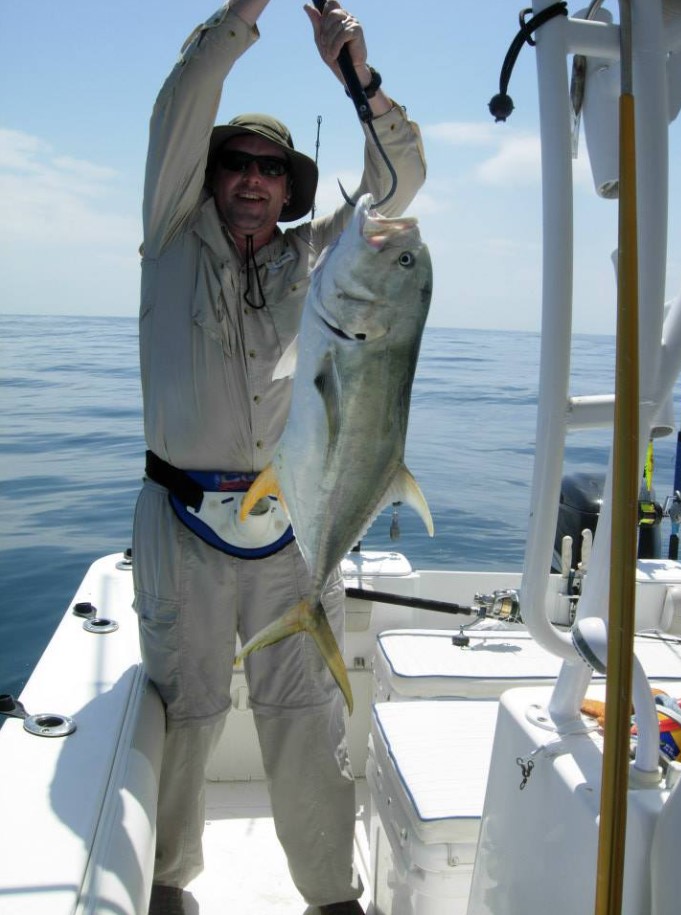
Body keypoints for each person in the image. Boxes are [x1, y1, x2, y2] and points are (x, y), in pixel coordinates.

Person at [132, 1, 426, 912]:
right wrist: (247, 10)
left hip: (296, 521)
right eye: (236, 164)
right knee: (185, 715)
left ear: (289, 188)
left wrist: (355, 74)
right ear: (210, 174)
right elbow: (182, 98)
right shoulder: (170, 238)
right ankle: (168, 880)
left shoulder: (320, 261)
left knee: (304, 717)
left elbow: (399, 185)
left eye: (270, 168)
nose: (252, 180)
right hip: (180, 524)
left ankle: (331, 894)